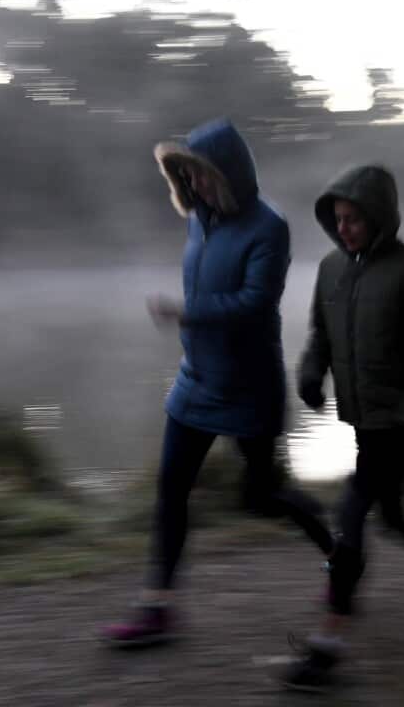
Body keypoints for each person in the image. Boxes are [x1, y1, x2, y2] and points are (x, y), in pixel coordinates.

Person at [102, 118, 334, 648]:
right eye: (188, 176)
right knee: (171, 489)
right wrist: (189, 323)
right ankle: (157, 608)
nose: (196, 185)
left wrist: (184, 313)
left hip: (248, 384)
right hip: (196, 378)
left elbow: (254, 303)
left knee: (262, 496)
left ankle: (338, 554)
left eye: (203, 175)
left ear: (230, 172)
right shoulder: (199, 220)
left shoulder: (269, 227)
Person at [281, 164, 404, 692]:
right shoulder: (330, 269)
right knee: (391, 517)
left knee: (350, 513)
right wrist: (310, 375)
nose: (344, 227)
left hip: (402, 422)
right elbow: (320, 335)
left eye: (354, 218)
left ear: (379, 217)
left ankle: (327, 645)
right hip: (364, 419)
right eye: (338, 218)